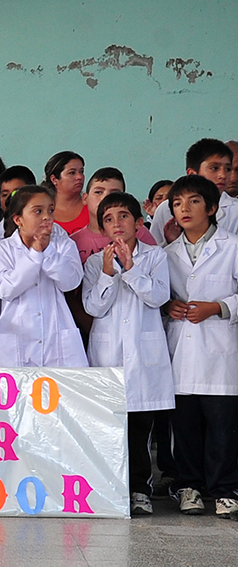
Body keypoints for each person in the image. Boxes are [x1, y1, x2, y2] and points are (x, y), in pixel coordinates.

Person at [80, 192, 172, 515]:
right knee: (109, 425)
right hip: (109, 357)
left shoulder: (155, 256)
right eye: (108, 219)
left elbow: (159, 297)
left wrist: (131, 270)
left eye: (123, 216)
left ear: (138, 222)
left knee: (139, 429)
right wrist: (108, 273)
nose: (116, 224)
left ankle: (140, 490)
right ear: (102, 228)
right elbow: (93, 306)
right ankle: (110, 488)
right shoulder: (94, 262)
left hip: (142, 356)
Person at [162, 175, 238, 517]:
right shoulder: (166, 254)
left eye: (193, 201)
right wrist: (167, 306)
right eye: (177, 203)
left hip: (221, 352)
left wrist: (219, 307)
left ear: (211, 207)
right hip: (182, 354)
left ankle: (225, 490)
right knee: (185, 426)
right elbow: (156, 294)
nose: (184, 209)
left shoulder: (233, 246)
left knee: (223, 429)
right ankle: (188, 486)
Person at [0, 186, 87, 367]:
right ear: (18, 219)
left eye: (50, 210)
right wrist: (34, 255)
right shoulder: (2, 250)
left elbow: (71, 282)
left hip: (56, 335)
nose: (47, 217)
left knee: (61, 393)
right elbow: (5, 289)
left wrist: (47, 252)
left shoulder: (63, 245)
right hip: (14, 339)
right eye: (38, 211)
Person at [150, 139, 238, 244]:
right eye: (214, 168)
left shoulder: (235, 211)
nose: (223, 175)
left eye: (227, 169)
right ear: (192, 173)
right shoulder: (165, 210)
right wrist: (173, 243)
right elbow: (153, 252)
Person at [69, 167, 157, 264]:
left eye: (114, 193)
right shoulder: (73, 241)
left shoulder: (139, 232)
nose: (105, 198)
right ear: (85, 198)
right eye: (98, 192)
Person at [42, 151, 88, 236]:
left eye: (81, 171)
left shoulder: (92, 207)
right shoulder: (42, 211)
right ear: (54, 179)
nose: (80, 177)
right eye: (72, 173)